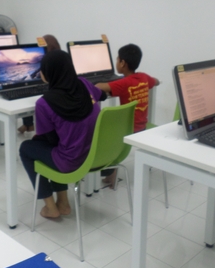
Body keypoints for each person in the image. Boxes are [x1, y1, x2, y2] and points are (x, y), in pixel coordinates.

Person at [19, 50, 107, 218]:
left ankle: (51, 207)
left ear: (48, 73)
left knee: (26, 148)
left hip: (71, 162)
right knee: (59, 145)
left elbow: (50, 140)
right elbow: (102, 95)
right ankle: (63, 202)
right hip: (95, 156)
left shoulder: (44, 103)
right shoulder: (84, 84)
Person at [95, 43, 159, 187]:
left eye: (117, 59)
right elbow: (155, 81)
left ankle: (108, 172)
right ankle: (111, 175)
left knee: (99, 133)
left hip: (127, 131)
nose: (116, 61)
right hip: (142, 127)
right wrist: (155, 81)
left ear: (122, 63)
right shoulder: (144, 77)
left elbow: (99, 87)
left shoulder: (123, 83)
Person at [18, 34, 61, 134]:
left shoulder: (46, 68)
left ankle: (28, 124)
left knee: (26, 90)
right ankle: (28, 124)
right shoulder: (64, 62)